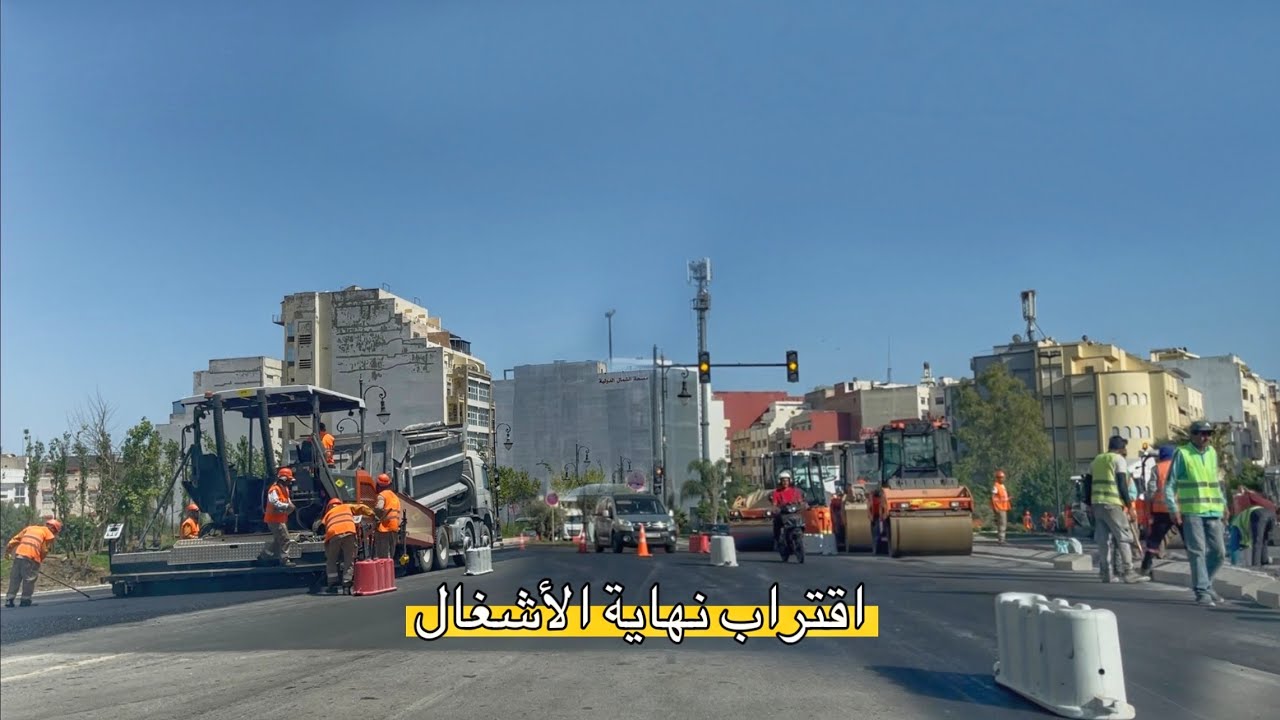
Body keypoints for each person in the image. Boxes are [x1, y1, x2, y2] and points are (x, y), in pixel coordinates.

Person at [1166, 420, 1228, 606]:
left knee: (1219, 552)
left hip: (1213, 511)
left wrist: (1224, 504)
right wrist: (1172, 508)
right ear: (1192, 435)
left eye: (1208, 434)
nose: (1205, 437)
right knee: (1197, 551)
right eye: (1201, 433)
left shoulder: (1212, 453)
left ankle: (1206, 584)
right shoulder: (1183, 453)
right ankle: (1202, 591)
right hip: (1192, 511)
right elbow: (1170, 484)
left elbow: (1215, 482)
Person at [1088, 436, 1148, 584]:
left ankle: (1105, 573)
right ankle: (1129, 572)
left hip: (1097, 504)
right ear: (1121, 448)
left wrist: (1088, 504)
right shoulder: (1118, 459)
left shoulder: (1096, 460)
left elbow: (1087, 483)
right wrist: (1129, 507)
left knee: (1103, 540)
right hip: (1113, 504)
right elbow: (1122, 484)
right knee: (1123, 537)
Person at [313, 498, 375, 593]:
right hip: (349, 532)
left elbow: (321, 527)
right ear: (340, 503)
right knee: (349, 560)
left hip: (334, 534)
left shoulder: (328, 514)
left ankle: (332, 585)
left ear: (329, 507)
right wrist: (373, 514)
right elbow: (361, 507)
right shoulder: (346, 507)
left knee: (331, 560)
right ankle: (347, 585)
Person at [5, 518, 62, 607]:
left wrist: (8, 552)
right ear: (53, 528)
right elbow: (44, 550)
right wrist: (39, 561)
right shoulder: (48, 534)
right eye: (55, 531)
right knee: (29, 579)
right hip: (31, 557)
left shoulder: (30, 528)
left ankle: (9, 600)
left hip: (19, 555)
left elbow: (14, 540)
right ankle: (25, 600)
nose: (54, 533)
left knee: (15, 578)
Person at [1140, 445, 1176, 573]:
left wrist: (1150, 506)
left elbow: (1151, 490)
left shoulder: (1157, 468)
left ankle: (1146, 566)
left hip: (1161, 510)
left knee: (1155, 539)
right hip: (1180, 509)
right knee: (1188, 538)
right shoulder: (1180, 467)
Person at [260, 467, 297, 566]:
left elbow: (287, 500)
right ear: (283, 479)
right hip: (274, 520)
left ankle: (264, 556)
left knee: (278, 540)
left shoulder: (285, 489)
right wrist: (287, 506)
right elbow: (274, 502)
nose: (290, 482)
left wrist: (290, 506)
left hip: (280, 519)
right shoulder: (274, 489)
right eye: (289, 480)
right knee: (285, 539)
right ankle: (285, 560)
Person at [1229, 490, 1276, 568]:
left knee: (1257, 541)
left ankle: (1255, 564)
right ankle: (1264, 561)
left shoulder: (1236, 523)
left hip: (1258, 514)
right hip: (1271, 515)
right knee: (1264, 540)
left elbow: (1235, 545)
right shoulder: (1267, 504)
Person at [771, 471, 805, 548]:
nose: (785, 482)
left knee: (802, 521)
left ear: (790, 481)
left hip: (794, 512)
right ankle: (778, 540)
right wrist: (775, 509)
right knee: (776, 522)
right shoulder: (776, 492)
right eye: (783, 480)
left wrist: (803, 505)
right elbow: (774, 504)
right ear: (780, 481)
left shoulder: (795, 491)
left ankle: (800, 537)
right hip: (783, 513)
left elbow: (800, 501)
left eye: (787, 480)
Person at [373, 473, 402, 559]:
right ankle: (389, 570)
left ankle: (383, 571)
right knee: (391, 553)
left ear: (378, 485)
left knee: (383, 554)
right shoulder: (395, 497)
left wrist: (373, 516)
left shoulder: (382, 495)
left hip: (384, 527)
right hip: (394, 527)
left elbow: (379, 508)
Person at [991, 470, 1011, 544]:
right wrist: (995, 507)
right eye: (1001, 478)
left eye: (1003, 477)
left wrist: (1008, 498)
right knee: (1002, 523)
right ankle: (1001, 539)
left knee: (1003, 523)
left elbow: (1002, 497)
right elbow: (993, 497)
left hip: (1003, 507)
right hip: (999, 508)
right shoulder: (996, 486)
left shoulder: (1002, 486)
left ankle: (1002, 538)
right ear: (997, 478)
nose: (1003, 479)